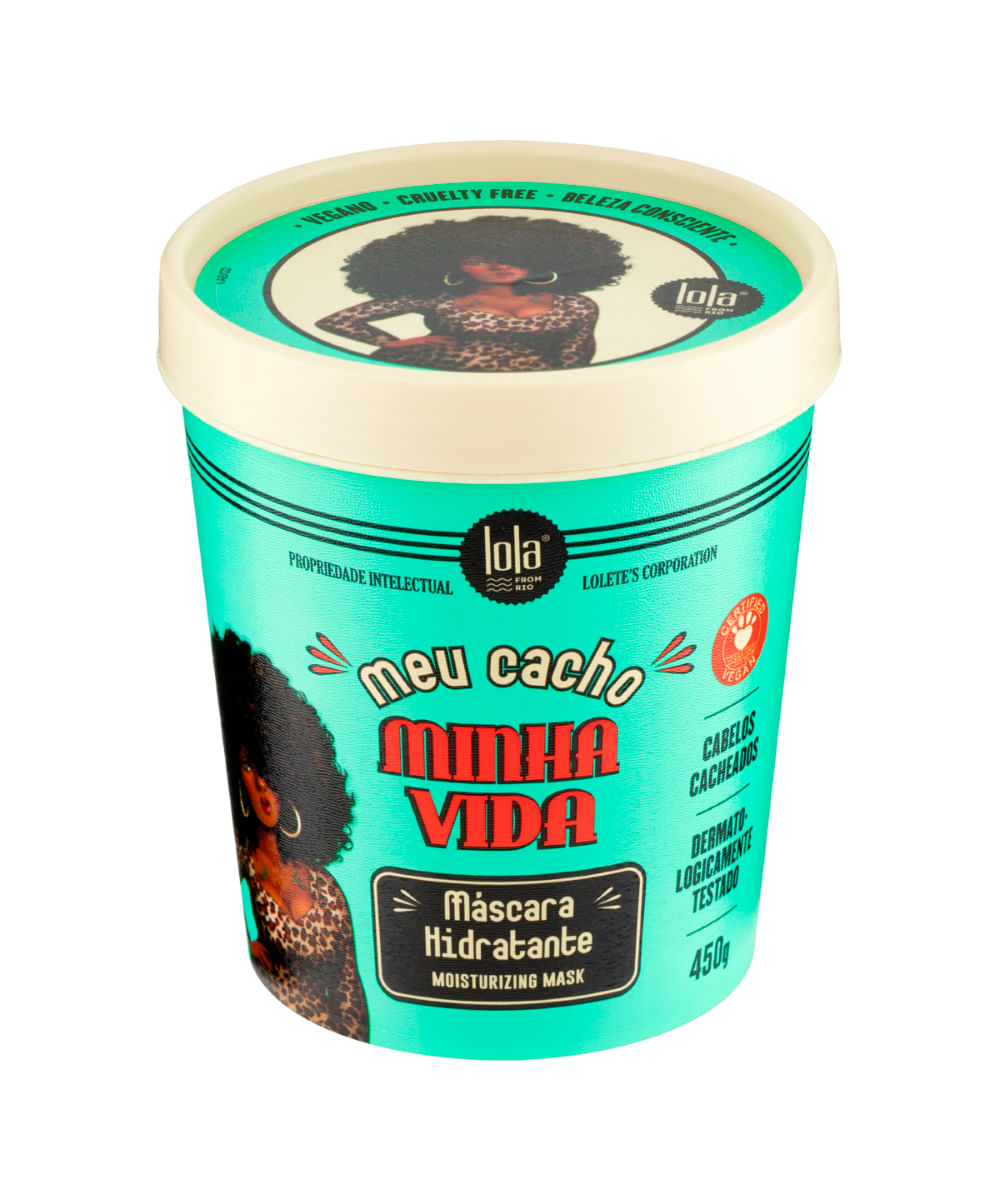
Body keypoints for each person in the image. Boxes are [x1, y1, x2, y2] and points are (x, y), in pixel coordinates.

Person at [211, 629, 368, 1041]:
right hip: (275, 1028)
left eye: (271, 769)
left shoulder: (323, 885)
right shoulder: (246, 864)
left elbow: (349, 987)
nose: (264, 787)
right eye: (250, 768)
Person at [316, 214, 629, 371]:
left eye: (513, 257)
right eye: (479, 260)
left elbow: (575, 361)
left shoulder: (576, 305)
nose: (500, 266)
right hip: (426, 384)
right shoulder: (438, 299)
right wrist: (394, 343)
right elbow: (337, 321)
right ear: (454, 265)